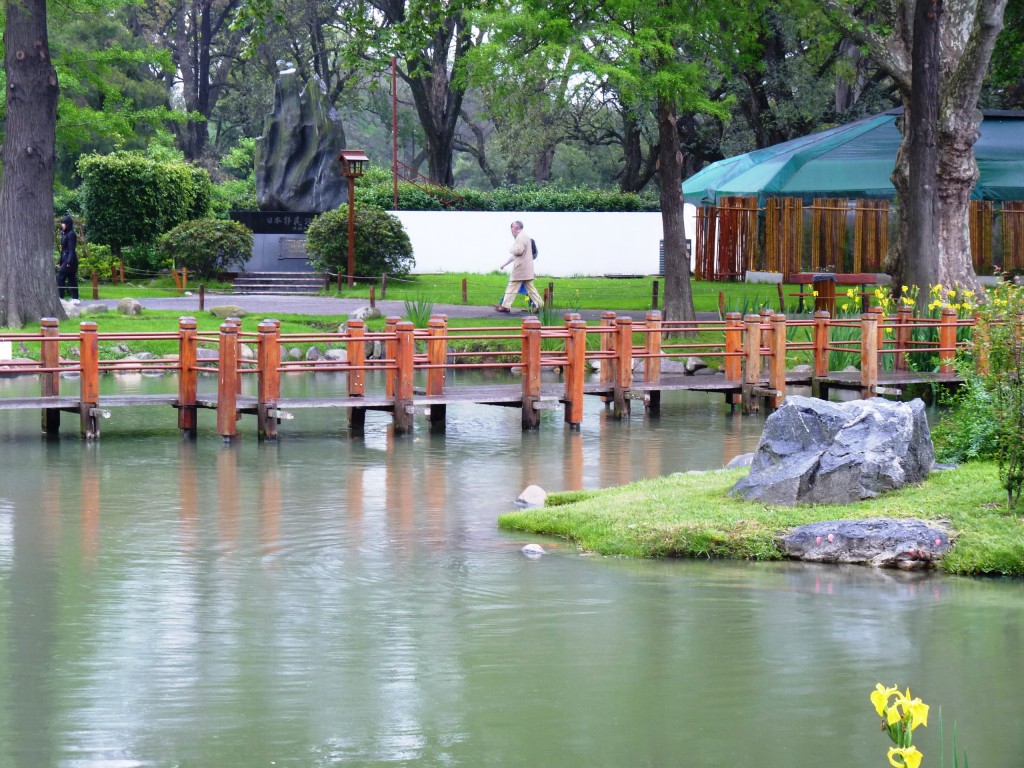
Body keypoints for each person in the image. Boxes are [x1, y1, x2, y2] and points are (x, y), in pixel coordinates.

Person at [495, 220, 543, 313]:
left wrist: (511, 249)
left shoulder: (520, 238)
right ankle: (540, 305)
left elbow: (518, 251)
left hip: (520, 268)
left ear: (516, 228)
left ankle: (505, 306)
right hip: (526, 268)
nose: (511, 229)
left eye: (512, 227)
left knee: (512, 286)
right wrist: (504, 264)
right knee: (530, 288)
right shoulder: (525, 236)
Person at [57, 215, 79, 300]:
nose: (62, 225)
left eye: (63, 223)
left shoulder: (71, 234)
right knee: (72, 279)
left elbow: (71, 249)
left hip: (70, 260)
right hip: (66, 259)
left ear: (67, 224)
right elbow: (63, 250)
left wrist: (69, 262)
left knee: (60, 277)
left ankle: (60, 297)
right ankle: (75, 298)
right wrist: (60, 262)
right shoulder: (65, 234)